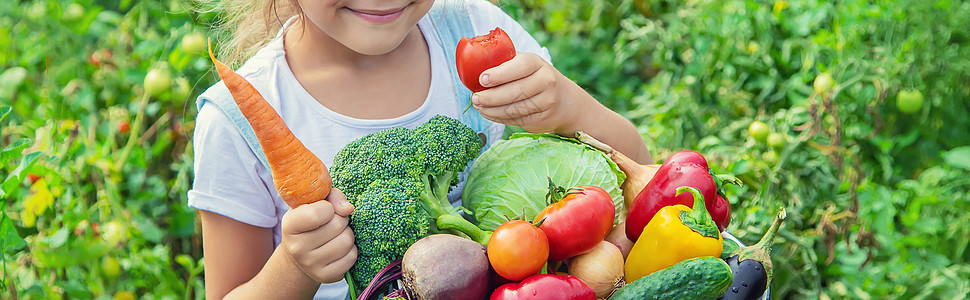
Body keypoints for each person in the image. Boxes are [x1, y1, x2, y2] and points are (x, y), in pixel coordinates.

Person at [188, 0, 653, 298]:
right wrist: (296, 266)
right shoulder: (236, 119)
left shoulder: (475, 30)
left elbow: (642, 177)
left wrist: (571, 107)